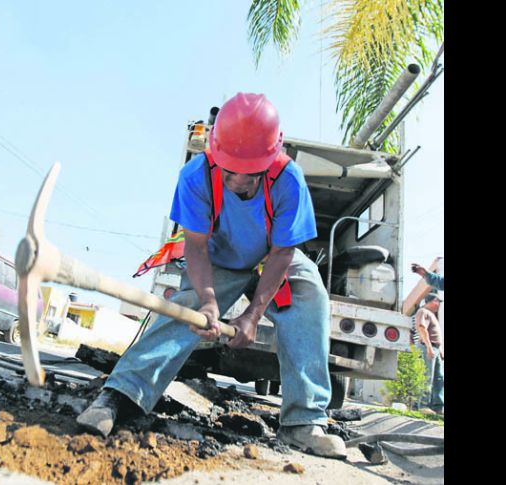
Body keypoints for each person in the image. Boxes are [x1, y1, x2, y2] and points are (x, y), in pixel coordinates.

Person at [77, 93, 347, 459]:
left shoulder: (289, 180)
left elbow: (283, 253)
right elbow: (196, 246)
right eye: (229, 169)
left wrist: (252, 315)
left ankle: (303, 422)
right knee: (186, 307)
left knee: (309, 295)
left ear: (270, 159)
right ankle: (120, 395)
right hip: (218, 257)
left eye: (248, 172)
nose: (236, 180)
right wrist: (207, 301)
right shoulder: (196, 176)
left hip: (270, 258)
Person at [414, 293, 444, 414]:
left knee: (439, 377)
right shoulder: (423, 311)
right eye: (438, 301)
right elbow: (422, 328)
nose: (439, 304)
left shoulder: (432, 314)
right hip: (427, 347)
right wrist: (429, 347)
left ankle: (438, 406)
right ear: (431, 301)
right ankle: (423, 405)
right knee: (427, 377)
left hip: (435, 348)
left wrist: (439, 350)